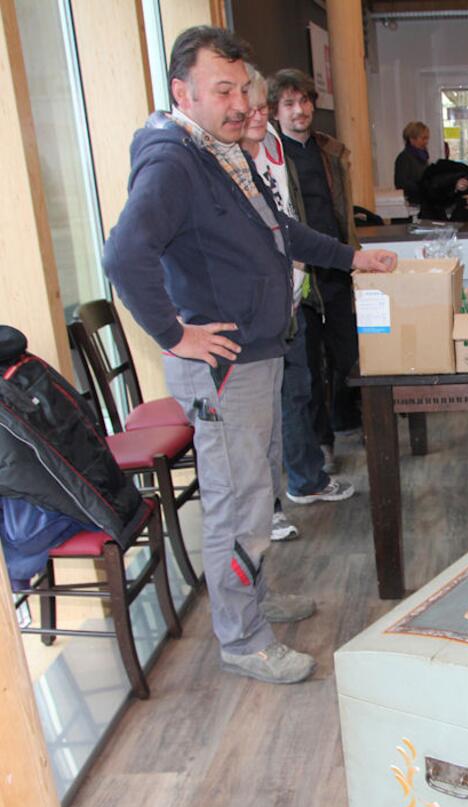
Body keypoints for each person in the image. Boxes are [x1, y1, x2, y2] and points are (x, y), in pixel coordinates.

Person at [102, 27, 396, 685]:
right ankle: (241, 636)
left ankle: (252, 600)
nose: (239, 103)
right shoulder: (173, 161)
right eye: (222, 90)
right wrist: (178, 336)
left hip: (259, 352)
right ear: (184, 92)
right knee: (238, 505)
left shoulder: (222, 149)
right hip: (223, 365)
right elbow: (124, 253)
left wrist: (351, 257)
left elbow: (280, 232)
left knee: (257, 498)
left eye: (242, 88)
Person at [239, 66, 354, 544]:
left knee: (309, 380)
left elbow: (292, 226)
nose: (293, 111)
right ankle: (287, 493)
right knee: (283, 397)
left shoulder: (293, 154)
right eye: (276, 105)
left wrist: (350, 255)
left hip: (301, 282)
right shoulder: (233, 162)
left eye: (298, 101)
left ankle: (306, 478)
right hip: (259, 305)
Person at [271, 68, 362, 472]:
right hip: (299, 272)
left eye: (304, 101)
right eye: (288, 104)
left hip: (338, 266)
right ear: (275, 111)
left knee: (351, 355)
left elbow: (342, 213)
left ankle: (353, 421)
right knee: (308, 368)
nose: (299, 110)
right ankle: (321, 442)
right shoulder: (271, 159)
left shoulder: (330, 151)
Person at [395, 121, 430, 206]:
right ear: (412, 139)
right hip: (411, 205)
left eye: (427, 138)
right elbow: (401, 183)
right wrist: (423, 186)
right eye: (423, 138)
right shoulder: (404, 157)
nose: (426, 142)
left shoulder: (423, 157)